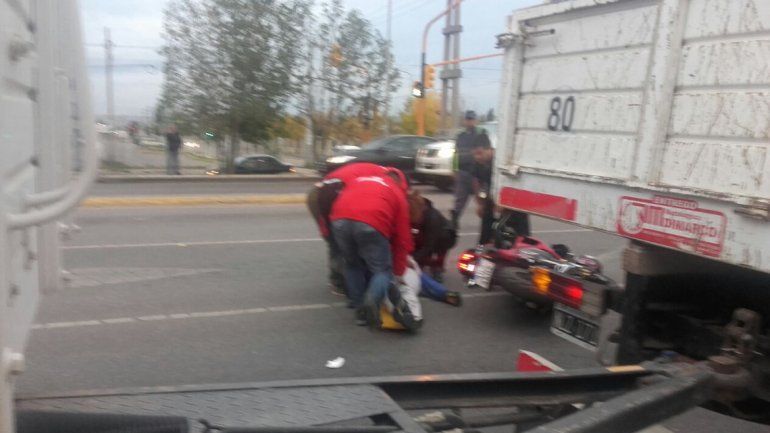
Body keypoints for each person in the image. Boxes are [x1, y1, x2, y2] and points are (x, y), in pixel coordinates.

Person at [330, 169, 413, 327]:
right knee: (382, 270)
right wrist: (398, 272)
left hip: (339, 220)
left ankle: (358, 307)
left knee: (352, 264)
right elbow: (403, 239)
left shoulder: (360, 179)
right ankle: (371, 301)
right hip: (371, 222)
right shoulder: (396, 192)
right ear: (401, 183)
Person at [306, 162, 394, 297]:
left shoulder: (375, 170)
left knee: (336, 240)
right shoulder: (383, 179)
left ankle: (340, 281)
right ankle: (341, 281)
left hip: (319, 191)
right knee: (338, 242)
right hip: (328, 195)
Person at [407, 190, 457, 283]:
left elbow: (429, 246)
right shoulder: (414, 212)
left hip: (443, 237)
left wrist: (414, 258)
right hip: (425, 235)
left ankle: (437, 266)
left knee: (442, 239)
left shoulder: (432, 219)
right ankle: (422, 262)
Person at [451, 110, 487, 230]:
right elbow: (455, 153)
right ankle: (452, 225)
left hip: (477, 174)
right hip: (463, 173)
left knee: (482, 202)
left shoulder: (481, 133)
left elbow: (485, 152)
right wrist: (454, 169)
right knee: (459, 202)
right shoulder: (460, 135)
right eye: (467, 119)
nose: (469, 121)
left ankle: (487, 227)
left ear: (475, 120)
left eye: (471, 119)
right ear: (464, 120)